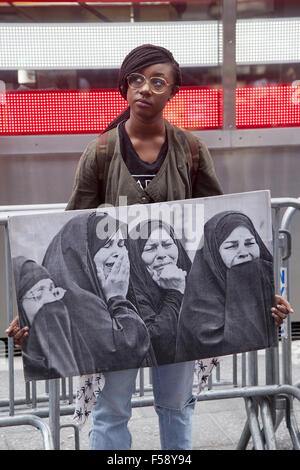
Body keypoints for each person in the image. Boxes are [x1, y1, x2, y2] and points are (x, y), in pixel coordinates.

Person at [6, 44, 293, 450]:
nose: (145, 89)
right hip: (115, 307)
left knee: (177, 406)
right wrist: (31, 311)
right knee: (112, 412)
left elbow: (220, 226)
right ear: (124, 86)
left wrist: (261, 295)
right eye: (136, 80)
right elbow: (69, 233)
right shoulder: (101, 152)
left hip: (177, 308)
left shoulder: (191, 151)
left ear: (173, 92)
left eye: (157, 82)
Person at [42, 210, 151, 375]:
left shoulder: (114, 288)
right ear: (84, 254)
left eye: (121, 245)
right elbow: (125, 347)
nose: (117, 252)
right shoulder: (77, 302)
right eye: (107, 245)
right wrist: (117, 298)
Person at [176, 211, 278, 362]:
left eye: (250, 243)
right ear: (214, 255)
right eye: (232, 246)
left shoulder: (264, 278)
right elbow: (225, 346)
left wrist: (278, 312)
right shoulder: (197, 305)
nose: (243, 252)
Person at [126, 218, 192, 365]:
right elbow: (157, 342)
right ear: (137, 257)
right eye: (150, 248)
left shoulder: (192, 279)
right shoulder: (132, 293)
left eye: (168, 245)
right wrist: (175, 293)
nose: (162, 254)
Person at [12, 256, 79, 380]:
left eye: (52, 290)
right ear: (19, 305)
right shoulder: (17, 347)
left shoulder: (76, 341)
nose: (50, 299)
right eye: (38, 293)